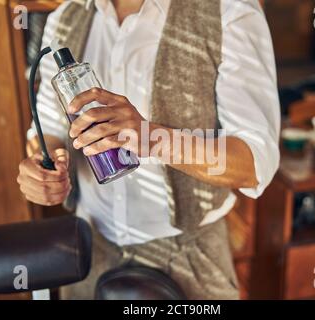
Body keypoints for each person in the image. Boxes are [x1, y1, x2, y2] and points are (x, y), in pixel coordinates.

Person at [17, 0, 280, 299]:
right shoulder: (66, 17)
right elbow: (50, 131)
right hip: (89, 255)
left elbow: (254, 164)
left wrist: (151, 138)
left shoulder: (229, 12)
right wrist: (44, 164)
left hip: (190, 262)